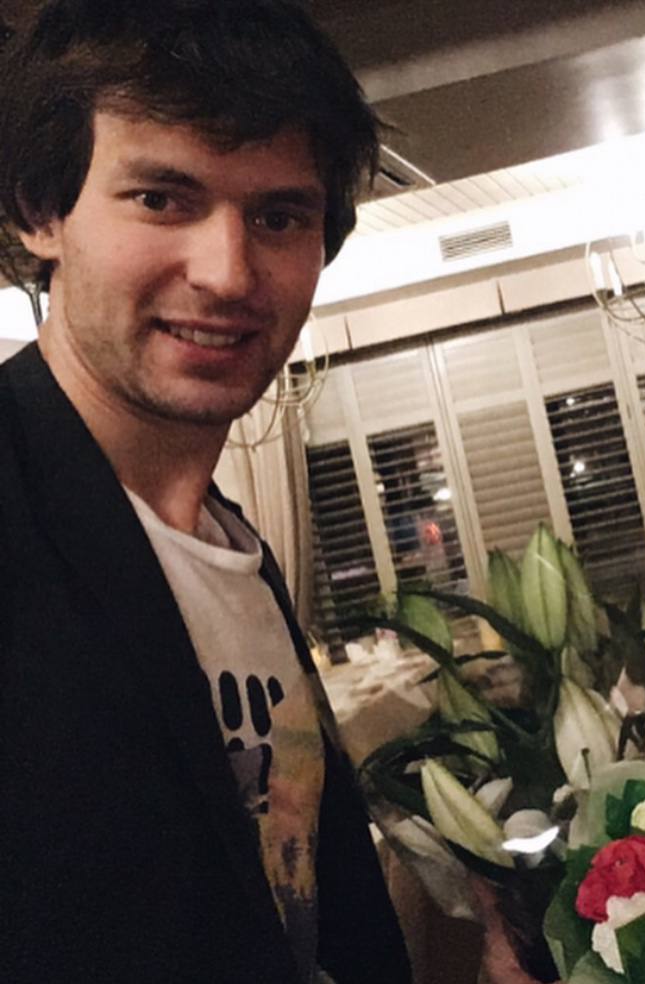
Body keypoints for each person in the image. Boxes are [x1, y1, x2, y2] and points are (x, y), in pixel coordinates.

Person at [0, 2, 411, 981]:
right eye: (162, 198)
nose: (228, 274)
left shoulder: (234, 551)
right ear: (40, 211)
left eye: (279, 217)